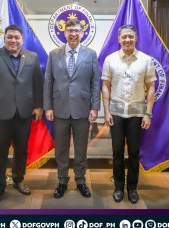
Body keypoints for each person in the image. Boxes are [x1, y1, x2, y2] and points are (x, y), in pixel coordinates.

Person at [0, 24, 43, 205]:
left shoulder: (32, 57)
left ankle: (18, 180)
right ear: (4, 38)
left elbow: (37, 84)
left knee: (21, 150)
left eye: (16, 37)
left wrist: (39, 106)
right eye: (10, 37)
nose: (13, 40)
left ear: (22, 39)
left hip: (24, 113)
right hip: (0, 113)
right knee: (0, 151)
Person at [44, 19, 100, 199]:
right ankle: (62, 181)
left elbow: (95, 82)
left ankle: (81, 180)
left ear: (82, 33)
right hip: (59, 109)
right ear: (64, 33)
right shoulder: (54, 54)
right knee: (61, 148)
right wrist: (48, 107)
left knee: (81, 148)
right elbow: (48, 82)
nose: (73, 34)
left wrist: (95, 106)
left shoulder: (91, 54)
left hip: (82, 109)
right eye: (69, 31)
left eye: (76, 30)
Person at [101, 24, 156, 204]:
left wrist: (148, 114)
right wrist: (107, 111)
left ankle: (132, 188)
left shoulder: (146, 60)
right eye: (124, 37)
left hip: (136, 114)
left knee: (133, 152)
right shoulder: (110, 59)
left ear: (136, 38)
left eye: (130, 36)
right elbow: (106, 87)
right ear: (119, 39)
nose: (127, 40)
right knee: (117, 152)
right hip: (116, 114)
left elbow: (151, 88)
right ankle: (118, 187)